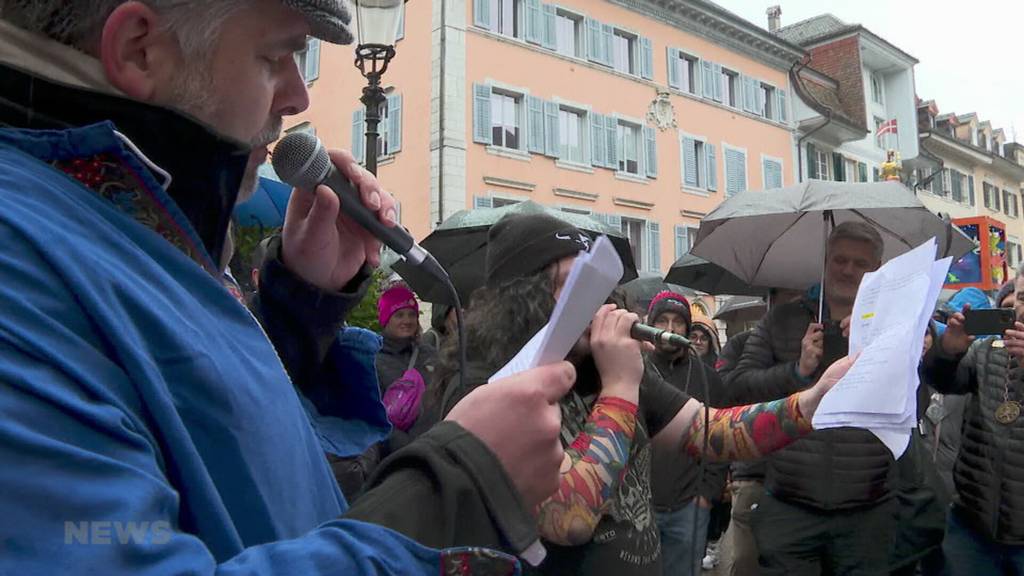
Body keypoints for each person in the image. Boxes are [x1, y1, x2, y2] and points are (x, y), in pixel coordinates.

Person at [0, 2, 576, 573]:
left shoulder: (124, 215)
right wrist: (455, 486)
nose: (299, 96)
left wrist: (301, 306)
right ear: (138, 49)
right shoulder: (18, 261)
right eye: (277, 56)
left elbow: (208, 445)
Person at [373, 212, 854, 576]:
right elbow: (569, 517)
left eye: (600, 287)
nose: (600, 304)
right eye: (573, 286)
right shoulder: (481, 384)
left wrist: (813, 402)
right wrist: (621, 386)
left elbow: (712, 431)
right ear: (523, 299)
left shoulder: (611, 365)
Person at [726, 221, 897, 576]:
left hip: (867, 508)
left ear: (876, 269)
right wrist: (797, 371)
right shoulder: (781, 319)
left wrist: (879, 336)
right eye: (840, 260)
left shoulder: (894, 325)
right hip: (790, 505)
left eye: (860, 263)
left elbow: (919, 393)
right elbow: (738, 388)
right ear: (825, 261)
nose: (848, 270)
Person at [923, 265, 1024, 575]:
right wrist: (947, 350)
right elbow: (942, 381)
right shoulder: (986, 350)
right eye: (1022, 297)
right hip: (973, 528)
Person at [645, 292, 728, 576]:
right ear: (651, 324)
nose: (670, 329)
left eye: (678, 322)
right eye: (663, 321)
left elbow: (720, 439)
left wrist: (706, 495)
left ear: (687, 329)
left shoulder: (708, 378)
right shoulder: (636, 370)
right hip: (640, 509)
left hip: (689, 507)